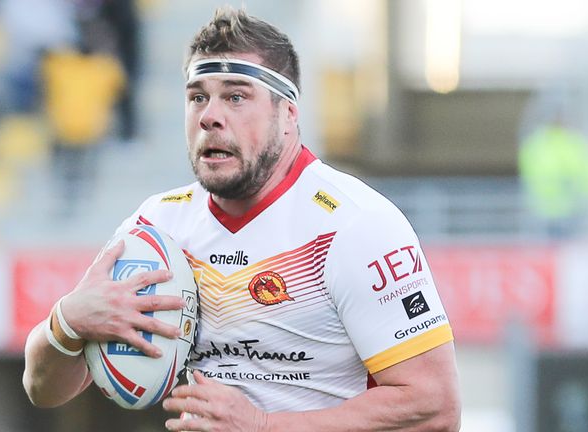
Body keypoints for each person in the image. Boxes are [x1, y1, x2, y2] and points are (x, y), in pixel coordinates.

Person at [23, 6, 461, 432]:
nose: (210, 116)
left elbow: (435, 407)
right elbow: (43, 390)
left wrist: (264, 426)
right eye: (198, 97)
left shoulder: (355, 225)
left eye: (235, 96)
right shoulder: (157, 227)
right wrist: (66, 322)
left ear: (288, 113)